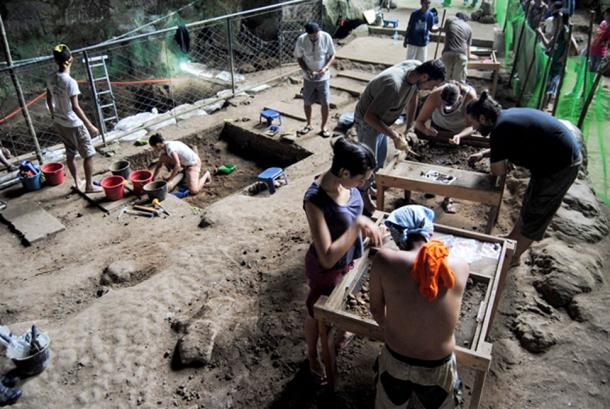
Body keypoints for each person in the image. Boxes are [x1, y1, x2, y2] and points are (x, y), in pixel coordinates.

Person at [370, 204, 469, 409]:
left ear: (397, 234)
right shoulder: (459, 266)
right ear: (429, 231)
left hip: (396, 358)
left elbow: (377, 310)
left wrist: (396, 331)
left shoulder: (384, 259)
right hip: (437, 365)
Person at [466, 91, 582, 265]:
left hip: (560, 166)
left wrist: (501, 164)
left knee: (536, 213)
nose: (473, 128)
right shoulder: (505, 118)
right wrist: (484, 154)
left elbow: (497, 170)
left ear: (482, 118)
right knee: (529, 204)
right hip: (551, 161)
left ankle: (513, 257)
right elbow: (508, 145)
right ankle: (512, 240)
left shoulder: (500, 128)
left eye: (473, 123)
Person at [303, 137, 383, 383]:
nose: (364, 183)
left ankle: (341, 331)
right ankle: (313, 356)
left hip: (349, 258)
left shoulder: (348, 185)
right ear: (344, 172)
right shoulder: (315, 200)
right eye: (361, 179)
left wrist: (367, 233)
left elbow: (352, 218)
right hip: (326, 269)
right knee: (318, 313)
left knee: (343, 298)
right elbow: (326, 257)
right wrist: (359, 225)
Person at [354, 59, 446, 211]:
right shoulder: (393, 85)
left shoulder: (416, 69)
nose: (432, 89)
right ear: (424, 77)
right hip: (368, 123)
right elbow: (369, 117)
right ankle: (363, 197)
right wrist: (395, 136)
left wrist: (410, 126)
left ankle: (369, 188)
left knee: (380, 159)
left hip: (383, 119)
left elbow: (413, 97)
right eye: (433, 84)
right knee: (369, 163)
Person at [414, 82, 477, 213]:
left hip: (458, 134)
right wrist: (426, 131)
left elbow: (472, 126)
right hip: (437, 131)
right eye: (444, 105)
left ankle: (447, 198)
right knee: (433, 161)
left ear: (460, 98)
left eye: (451, 106)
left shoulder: (469, 97)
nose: (447, 108)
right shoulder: (435, 95)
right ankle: (432, 188)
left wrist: (459, 136)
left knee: (452, 168)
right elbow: (419, 122)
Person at [46, 44, 101, 193]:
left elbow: (48, 98)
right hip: (73, 124)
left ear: (56, 61)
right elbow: (75, 107)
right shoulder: (70, 82)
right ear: (70, 60)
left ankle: (78, 182)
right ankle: (89, 186)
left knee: (70, 152)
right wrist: (90, 126)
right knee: (89, 154)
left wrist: (53, 114)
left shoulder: (51, 77)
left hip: (59, 122)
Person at [294, 21, 336, 138]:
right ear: (307, 33)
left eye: (315, 35)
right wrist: (307, 70)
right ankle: (308, 124)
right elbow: (299, 57)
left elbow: (332, 55)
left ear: (319, 31)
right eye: (311, 35)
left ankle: (324, 127)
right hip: (308, 77)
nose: (313, 37)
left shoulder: (326, 37)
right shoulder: (302, 39)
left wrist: (325, 68)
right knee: (307, 101)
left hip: (323, 77)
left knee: (325, 102)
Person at [536, 11, 569, 109]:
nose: (554, 21)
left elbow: (569, 44)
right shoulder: (557, 31)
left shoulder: (565, 31)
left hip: (558, 64)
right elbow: (548, 45)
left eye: (556, 19)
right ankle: (543, 106)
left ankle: (544, 107)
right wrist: (541, 34)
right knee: (547, 84)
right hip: (552, 61)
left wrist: (563, 56)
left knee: (550, 85)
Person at [441, 12, 475, 83]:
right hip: (461, 54)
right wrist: (471, 58)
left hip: (447, 52)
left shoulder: (450, 21)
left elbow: (444, 31)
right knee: (459, 82)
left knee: (444, 78)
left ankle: (442, 92)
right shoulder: (469, 28)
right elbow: (468, 49)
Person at [589, 7, 610, 73]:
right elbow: (596, 34)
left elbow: (607, 42)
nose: (605, 15)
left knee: (595, 70)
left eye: (606, 14)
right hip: (593, 49)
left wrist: (605, 42)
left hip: (601, 52)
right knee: (590, 69)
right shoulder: (603, 23)